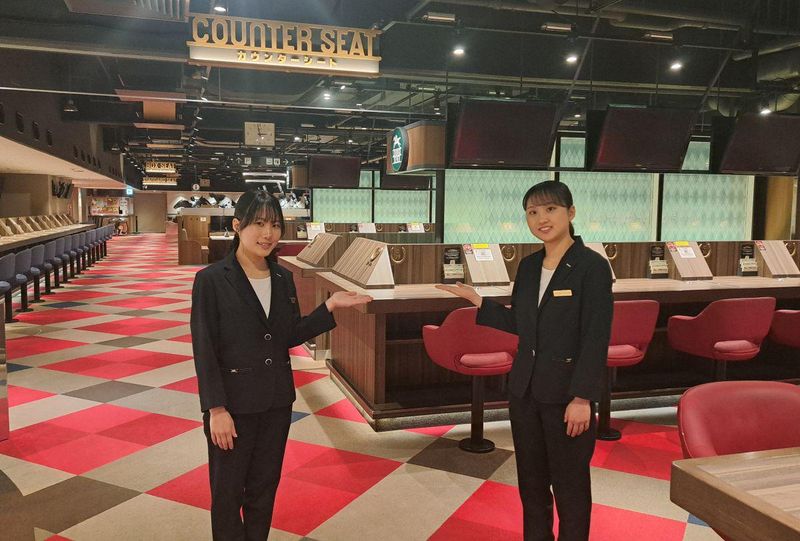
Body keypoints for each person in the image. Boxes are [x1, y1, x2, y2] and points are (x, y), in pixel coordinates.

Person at [191, 189, 372, 541]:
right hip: (233, 405)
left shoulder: (282, 277)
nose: (268, 234)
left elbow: (287, 334)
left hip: (276, 401)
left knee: (263, 490)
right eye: (259, 224)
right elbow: (205, 349)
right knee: (227, 494)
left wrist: (329, 306)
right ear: (237, 226)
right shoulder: (211, 280)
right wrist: (216, 409)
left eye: (275, 225)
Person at [437, 180, 613, 541]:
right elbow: (521, 322)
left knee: (570, 487)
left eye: (550, 209)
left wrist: (583, 397)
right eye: (532, 212)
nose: (541, 219)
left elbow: (596, 337)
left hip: (567, 395)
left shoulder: (591, 267)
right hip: (525, 392)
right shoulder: (530, 266)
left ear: (571, 213)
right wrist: (478, 301)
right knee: (531, 485)